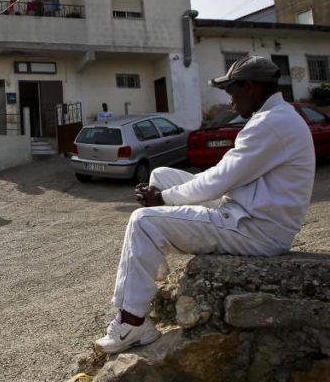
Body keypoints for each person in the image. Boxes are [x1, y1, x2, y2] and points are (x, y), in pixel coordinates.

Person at [95, 56, 316, 354]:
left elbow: (218, 180)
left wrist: (162, 199)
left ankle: (133, 323)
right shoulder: (277, 116)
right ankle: (152, 263)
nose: (230, 102)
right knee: (160, 175)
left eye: (232, 93)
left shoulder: (271, 124)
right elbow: (225, 177)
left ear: (250, 87)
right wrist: (164, 193)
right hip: (248, 209)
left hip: (256, 230)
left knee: (143, 220)